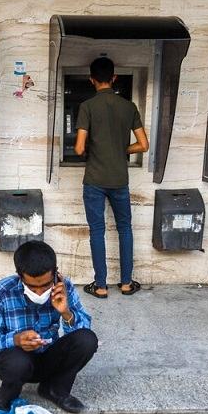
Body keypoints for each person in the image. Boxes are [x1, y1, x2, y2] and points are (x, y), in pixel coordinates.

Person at [0, 241, 98, 414]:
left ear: (55, 272)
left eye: (45, 285)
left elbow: (83, 330)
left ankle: (55, 389)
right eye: (32, 287)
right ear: (20, 276)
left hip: (49, 358)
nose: (39, 292)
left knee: (87, 340)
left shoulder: (64, 286)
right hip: (16, 361)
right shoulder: (3, 290)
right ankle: (6, 396)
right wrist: (16, 339)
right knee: (17, 362)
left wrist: (66, 313)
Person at [74, 57, 149, 299]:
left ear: (91, 80)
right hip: (119, 180)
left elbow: (79, 148)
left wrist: (93, 149)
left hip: (94, 180)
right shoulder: (129, 107)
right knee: (125, 229)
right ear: (114, 78)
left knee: (97, 231)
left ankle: (101, 286)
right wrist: (121, 149)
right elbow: (143, 144)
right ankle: (126, 283)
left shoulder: (87, 106)